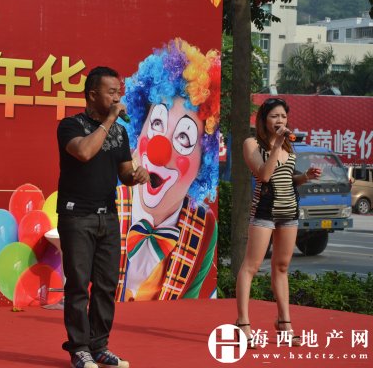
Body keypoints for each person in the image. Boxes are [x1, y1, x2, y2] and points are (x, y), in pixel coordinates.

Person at [57, 66, 149, 368]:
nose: (117, 98)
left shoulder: (119, 132)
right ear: (92, 94)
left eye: (118, 92)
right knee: (78, 285)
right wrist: (109, 120)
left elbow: (124, 173)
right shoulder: (70, 125)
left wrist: (136, 176)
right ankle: (79, 348)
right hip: (76, 216)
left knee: (106, 285)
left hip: (107, 217)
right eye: (111, 93)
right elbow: (83, 153)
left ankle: (99, 346)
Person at [116, 38, 220, 302]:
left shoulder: (204, 227)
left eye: (184, 137)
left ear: (204, 161)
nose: (159, 150)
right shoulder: (106, 203)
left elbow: (185, 307)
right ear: (139, 131)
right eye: (156, 124)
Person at [235, 97, 321, 347]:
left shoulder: (288, 146)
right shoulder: (252, 144)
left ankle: (284, 322)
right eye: (274, 116)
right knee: (251, 267)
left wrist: (305, 177)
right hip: (265, 210)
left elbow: (286, 178)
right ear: (263, 120)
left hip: (289, 212)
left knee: (282, 267)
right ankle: (243, 323)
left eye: (283, 116)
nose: (280, 120)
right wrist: (276, 146)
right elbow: (264, 174)